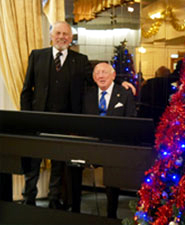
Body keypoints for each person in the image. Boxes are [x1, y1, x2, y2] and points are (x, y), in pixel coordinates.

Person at [19, 21, 135, 209]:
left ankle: (54, 200)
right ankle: (28, 199)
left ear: (71, 38)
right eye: (58, 33)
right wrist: (26, 119)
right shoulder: (37, 56)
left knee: (58, 165)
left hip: (65, 123)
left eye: (66, 34)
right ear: (51, 35)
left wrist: (120, 82)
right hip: (37, 121)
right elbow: (26, 91)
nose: (61, 37)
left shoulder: (80, 60)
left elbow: (98, 76)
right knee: (33, 162)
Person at [81, 62, 135, 218]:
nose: (100, 75)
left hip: (114, 144)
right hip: (92, 144)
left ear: (113, 75)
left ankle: (111, 214)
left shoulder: (124, 93)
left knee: (112, 173)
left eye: (104, 72)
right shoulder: (88, 95)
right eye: (97, 73)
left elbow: (131, 120)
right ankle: (75, 210)